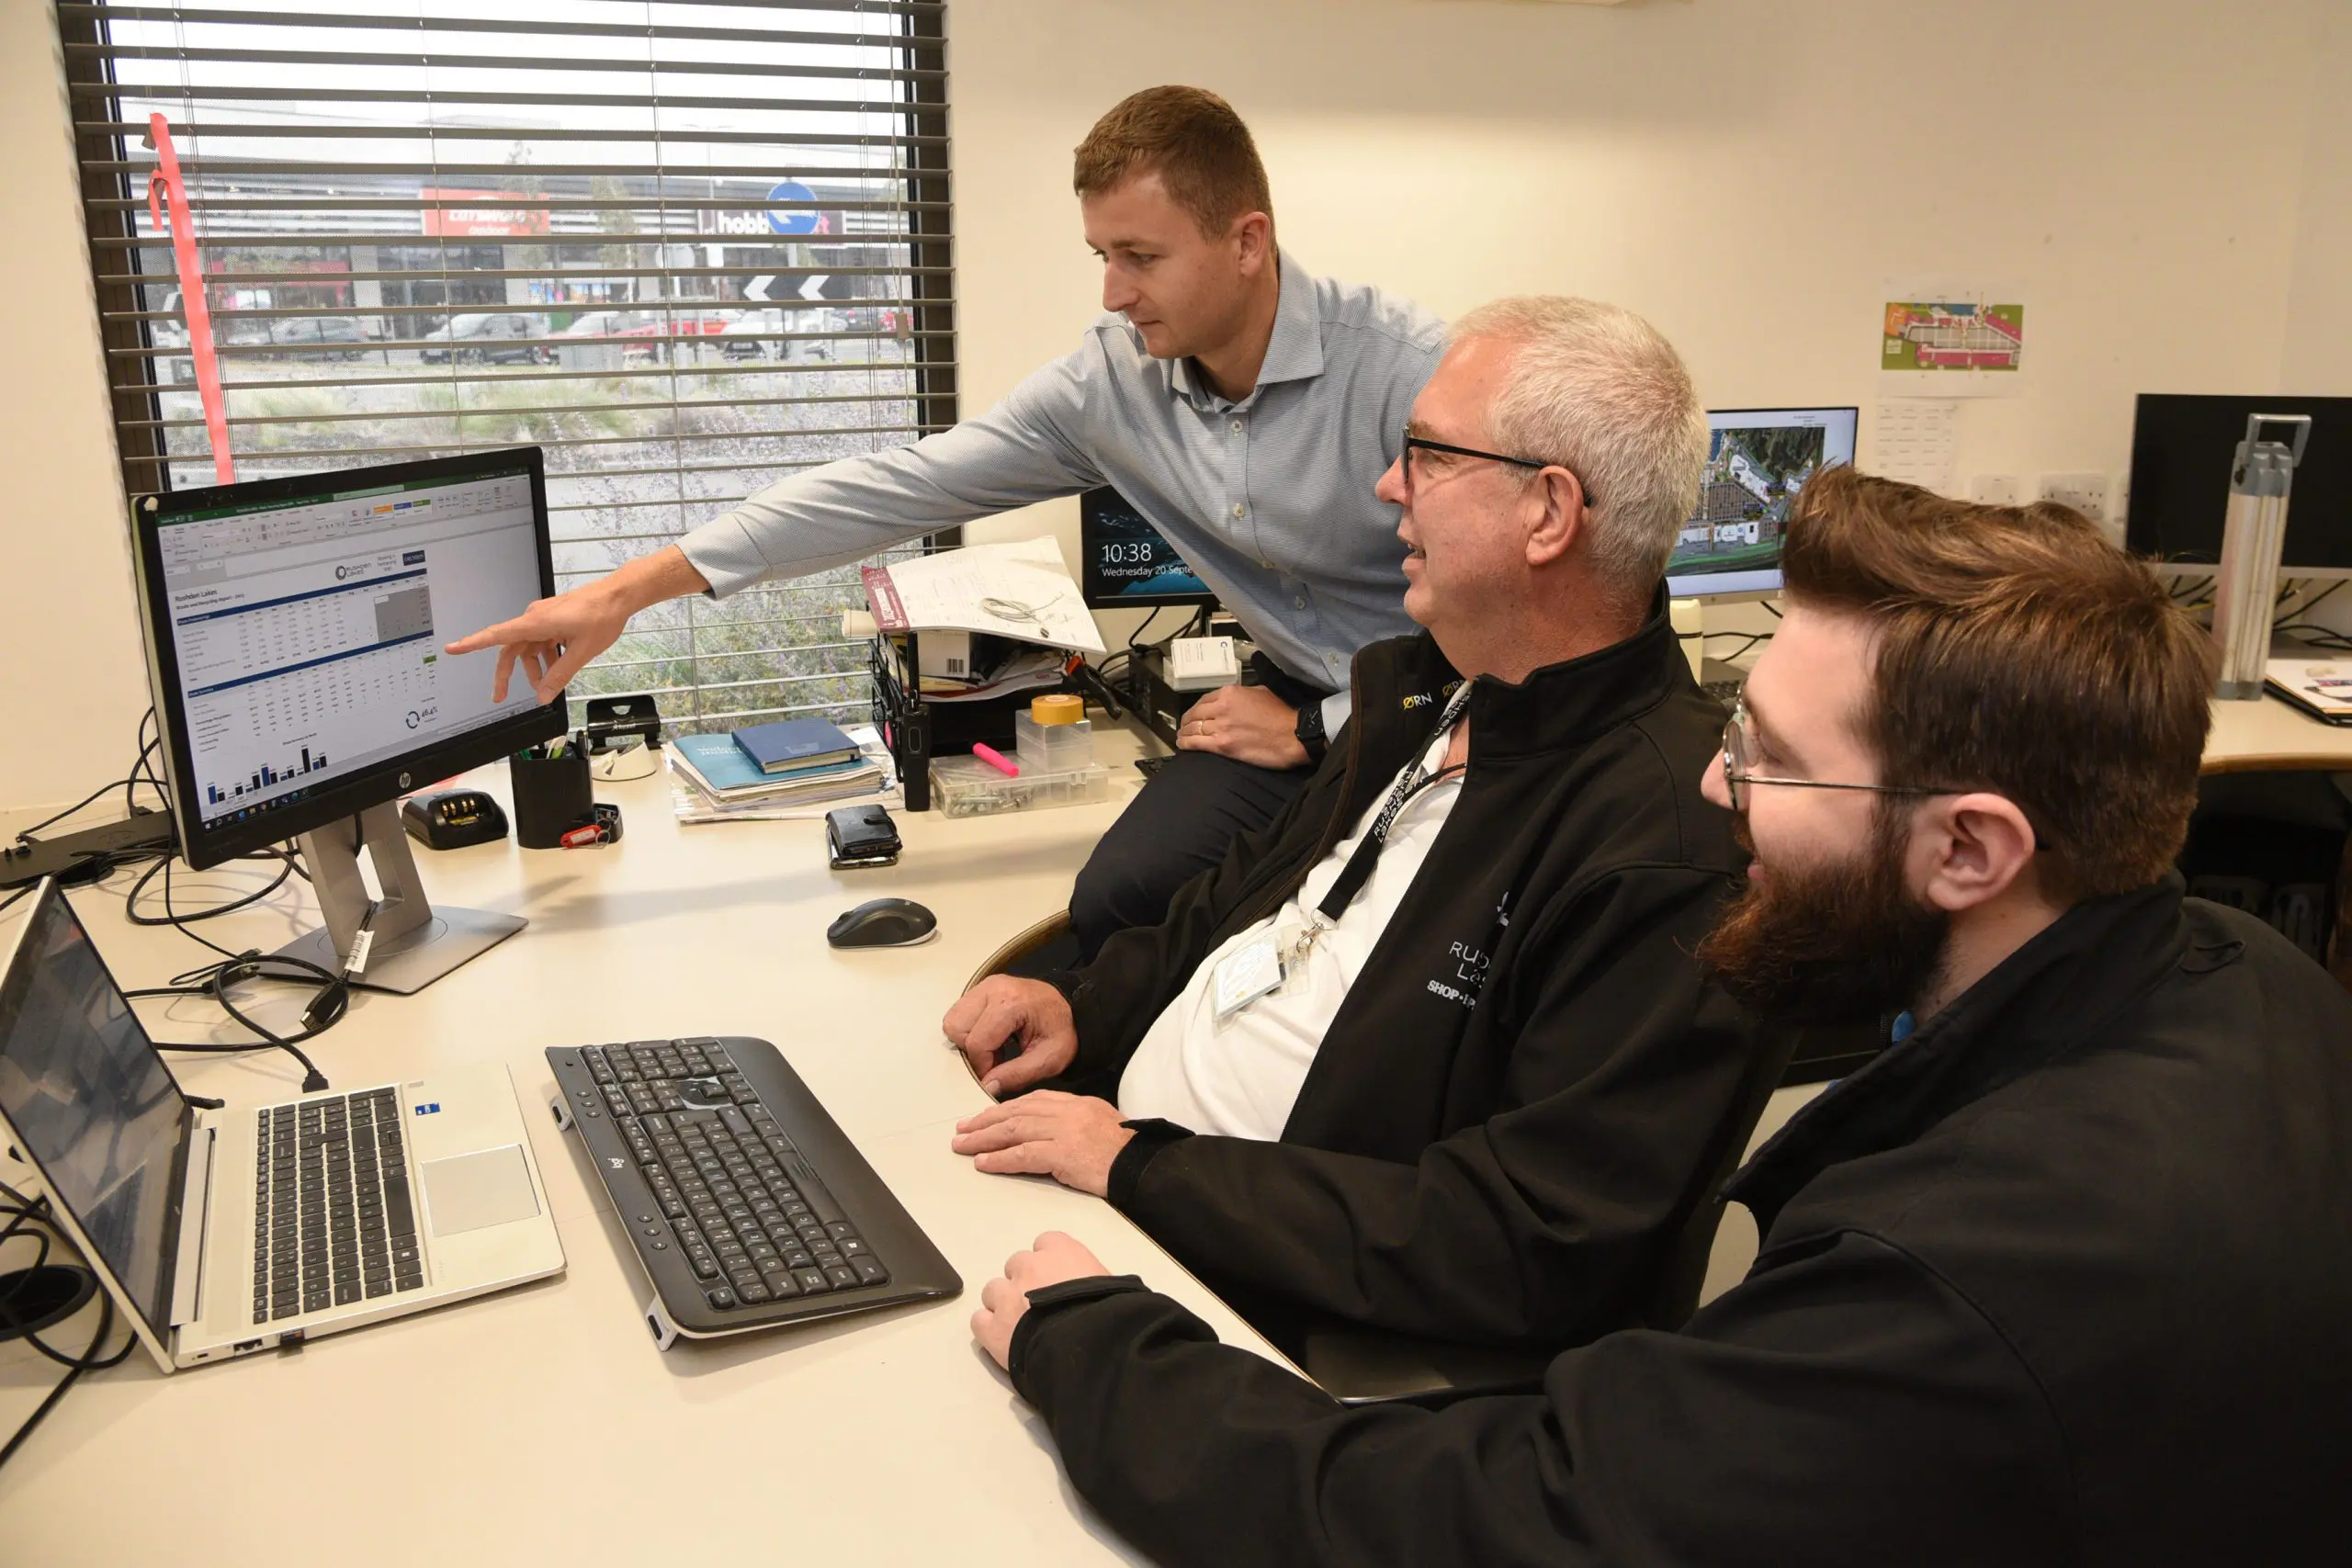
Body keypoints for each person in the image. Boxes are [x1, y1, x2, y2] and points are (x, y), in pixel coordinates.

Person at [963, 467, 2352, 1567]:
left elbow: (1508, 1518)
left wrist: (1102, 1346)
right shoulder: (2239, 971)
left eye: (1769, 762)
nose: (1712, 790)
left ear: (1973, 850)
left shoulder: (1963, 1278)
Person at [444, 85, 1444, 961]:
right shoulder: (1110, 388)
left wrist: (1322, 725)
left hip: (1458, 702)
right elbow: (891, 489)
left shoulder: (1409, 373)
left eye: (1140, 255)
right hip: (1293, 696)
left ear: (1248, 241)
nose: (1111, 291)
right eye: (1101, 254)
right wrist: (625, 591)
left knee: (1390, 944)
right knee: (1123, 904)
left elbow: (1548, 618)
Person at [943, 297, 1768, 1357]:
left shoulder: (1667, 841)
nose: (1388, 486)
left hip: (1286, 1327)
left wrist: (1139, 1164)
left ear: (1548, 514)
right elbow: (1239, 902)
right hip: (1140, 1195)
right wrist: (1083, 1010)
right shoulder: (1428, 691)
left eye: (1423, 454)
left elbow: (1524, 1242)